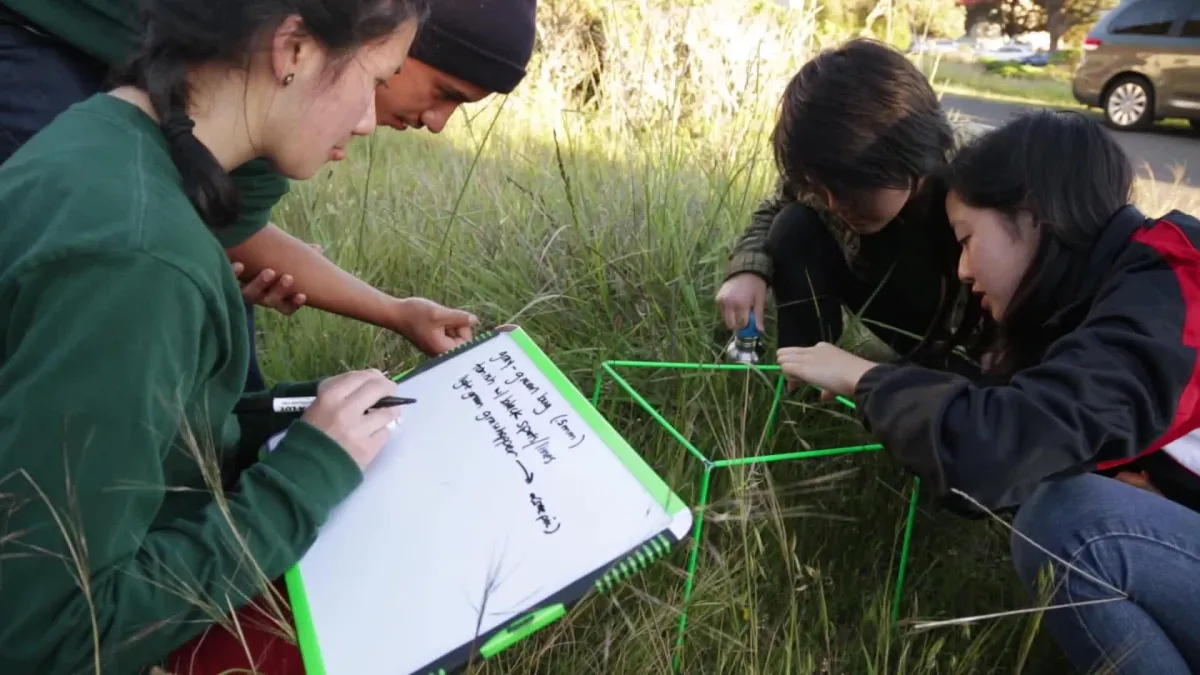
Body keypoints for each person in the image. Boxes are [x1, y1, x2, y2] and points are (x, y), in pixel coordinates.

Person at [0, 0, 425, 672]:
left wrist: (287, 419)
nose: (369, 120)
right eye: (374, 80)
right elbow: (48, 633)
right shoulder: (141, 262)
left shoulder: (104, 133)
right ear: (293, 50)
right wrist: (300, 482)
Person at [776, 110, 1200, 673]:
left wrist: (865, 379)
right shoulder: (1115, 292)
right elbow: (1032, 428)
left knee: (1068, 521)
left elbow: (1002, 449)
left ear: (1030, 216)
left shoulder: (1175, 282)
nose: (964, 269)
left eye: (967, 240)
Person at [0, 0, 538, 390]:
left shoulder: (254, 108)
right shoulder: (125, 200)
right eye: (443, 92)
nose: (440, 124)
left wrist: (397, 313)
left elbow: (233, 228)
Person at [714, 38, 991, 376]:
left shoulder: (991, 170)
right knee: (793, 225)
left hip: (985, 336)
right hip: (899, 311)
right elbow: (777, 204)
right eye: (819, 188)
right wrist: (748, 270)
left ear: (902, 153)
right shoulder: (826, 173)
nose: (833, 204)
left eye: (850, 188)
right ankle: (803, 381)